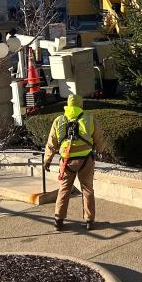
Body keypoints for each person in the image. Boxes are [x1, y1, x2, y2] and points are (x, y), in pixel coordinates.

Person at [44, 94, 103, 231]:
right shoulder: (89, 119)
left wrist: (47, 160)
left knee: (64, 189)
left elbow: (51, 142)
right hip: (86, 160)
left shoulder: (58, 121)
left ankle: (58, 220)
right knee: (87, 189)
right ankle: (89, 220)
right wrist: (100, 150)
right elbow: (98, 136)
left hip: (66, 162)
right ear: (81, 105)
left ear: (68, 105)